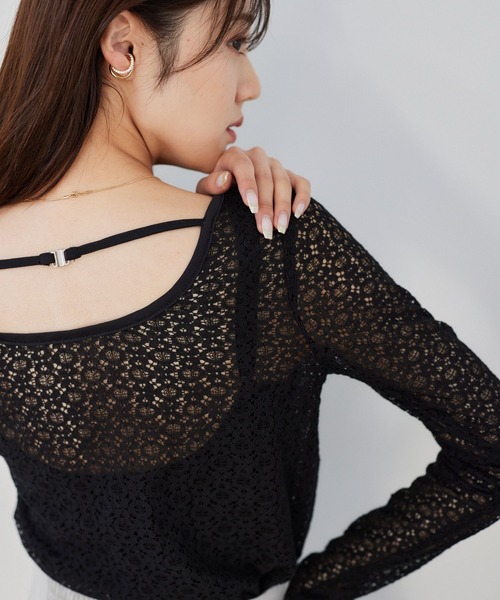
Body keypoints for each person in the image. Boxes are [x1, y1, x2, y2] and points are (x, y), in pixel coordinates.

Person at [0, 2, 499, 600]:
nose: (252, 84)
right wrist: (311, 591)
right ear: (123, 46)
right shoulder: (271, 247)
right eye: (235, 41)